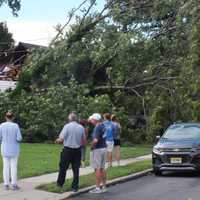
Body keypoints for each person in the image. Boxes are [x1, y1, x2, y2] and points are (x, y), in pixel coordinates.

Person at [55, 112, 85, 192]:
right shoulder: (81, 127)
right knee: (76, 168)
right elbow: (83, 140)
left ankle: (60, 183)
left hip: (67, 150)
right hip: (77, 150)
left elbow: (61, 139)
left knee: (63, 167)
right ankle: (75, 186)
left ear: (70, 118)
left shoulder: (67, 126)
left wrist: (56, 141)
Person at [0, 111, 22, 190]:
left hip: (4, 149)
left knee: (5, 167)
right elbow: (19, 138)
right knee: (14, 167)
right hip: (14, 149)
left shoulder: (1, 125)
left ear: (6, 117)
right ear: (12, 117)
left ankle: (6, 184)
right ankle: (14, 184)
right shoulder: (16, 126)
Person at [89, 113, 107, 194]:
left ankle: (97, 187)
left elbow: (95, 140)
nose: (91, 120)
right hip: (104, 148)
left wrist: (91, 146)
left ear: (95, 120)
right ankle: (104, 186)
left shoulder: (97, 127)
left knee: (97, 168)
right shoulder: (103, 125)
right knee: (102, 168)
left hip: (98, 149)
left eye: (92, 119)